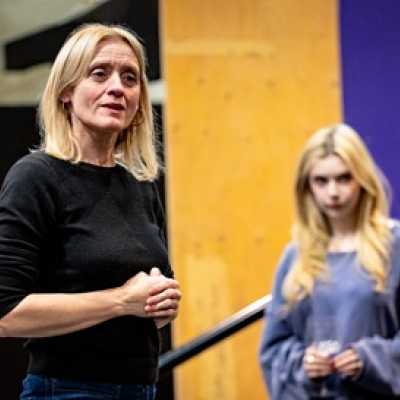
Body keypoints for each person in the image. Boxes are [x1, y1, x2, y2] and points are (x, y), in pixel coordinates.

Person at [0, 23, 181, 400]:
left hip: (141, 389)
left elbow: (148, 304)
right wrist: (120, 300)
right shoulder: (35, 178)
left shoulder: (139, 186)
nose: (117, 87)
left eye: (130, 78)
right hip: (66, 390)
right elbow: (6, 313)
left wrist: (159, 303)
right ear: (67, 90)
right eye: (100, 73)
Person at [259, 123, 400, 399]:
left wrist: (371, 359)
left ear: (362, 179)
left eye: (344, 178)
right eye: (321, 181)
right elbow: (273, 350)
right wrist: (305, 366)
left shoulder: (393, 245)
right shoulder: (295, 256)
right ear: (307, 186)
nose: (333, 192)